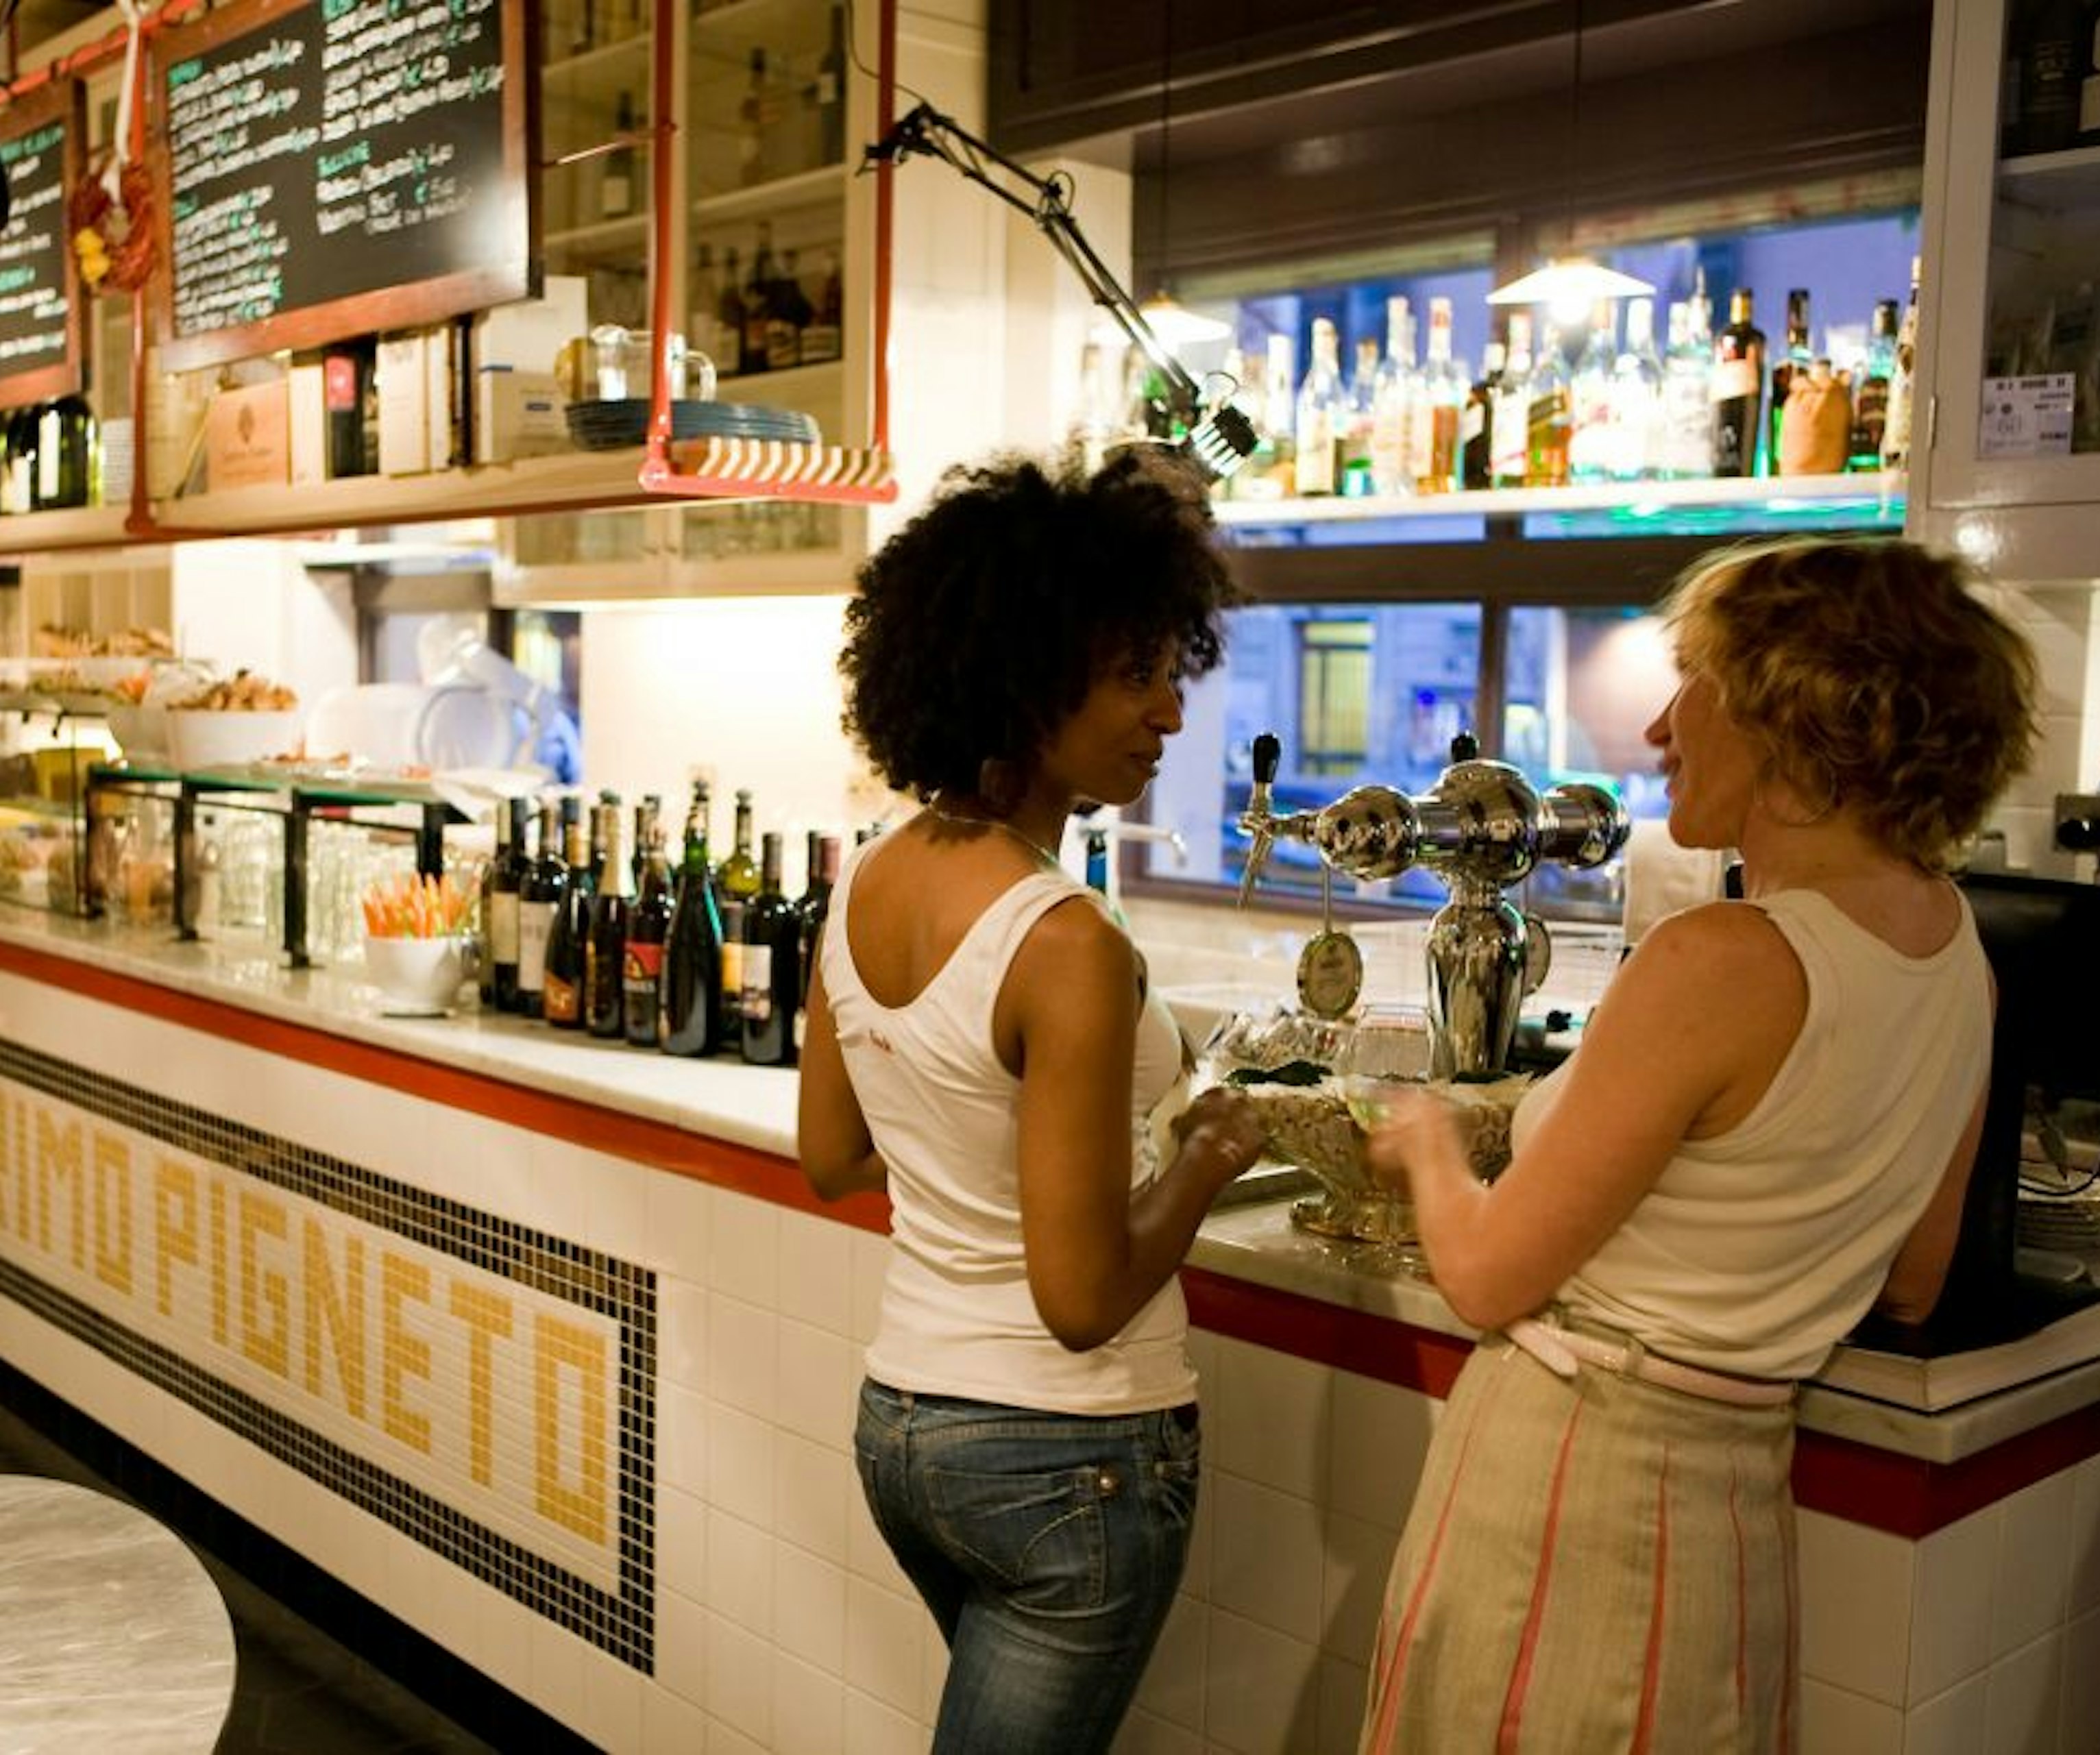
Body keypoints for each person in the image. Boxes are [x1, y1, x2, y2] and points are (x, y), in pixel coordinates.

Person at [1358, 537, 2037, 1752]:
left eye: (1696, 682)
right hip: (1733, 1512)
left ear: (1795, 711)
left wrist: (1426, 1144)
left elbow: (1484, 1274)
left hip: (1572, 1491)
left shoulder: (1724, 959)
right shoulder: (1956, 956)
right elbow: (1913, 1275)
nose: (1665, 726)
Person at [795, 447, 1267, 1753]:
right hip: (1066, 1452)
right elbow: (1078, 1296)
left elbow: (831, 1152)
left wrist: (977, 1151)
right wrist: (1209, 1155)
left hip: (905, 1430)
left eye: (1172, 669)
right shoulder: (1064, 940)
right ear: (1021, 677)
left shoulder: (866, 878)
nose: (1170, 711)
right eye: (1136, 674)